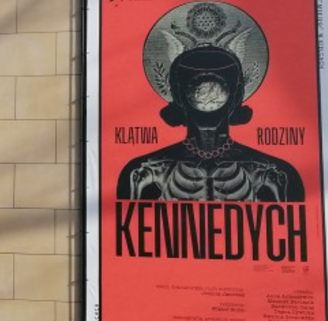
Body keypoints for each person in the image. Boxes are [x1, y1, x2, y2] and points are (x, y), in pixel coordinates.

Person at [117, 41, 304, 203]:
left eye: (217, 91)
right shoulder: (142, 173)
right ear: (178, 95)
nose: (207, 101)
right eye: (198, 91)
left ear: (237, 95)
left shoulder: (276, 174)